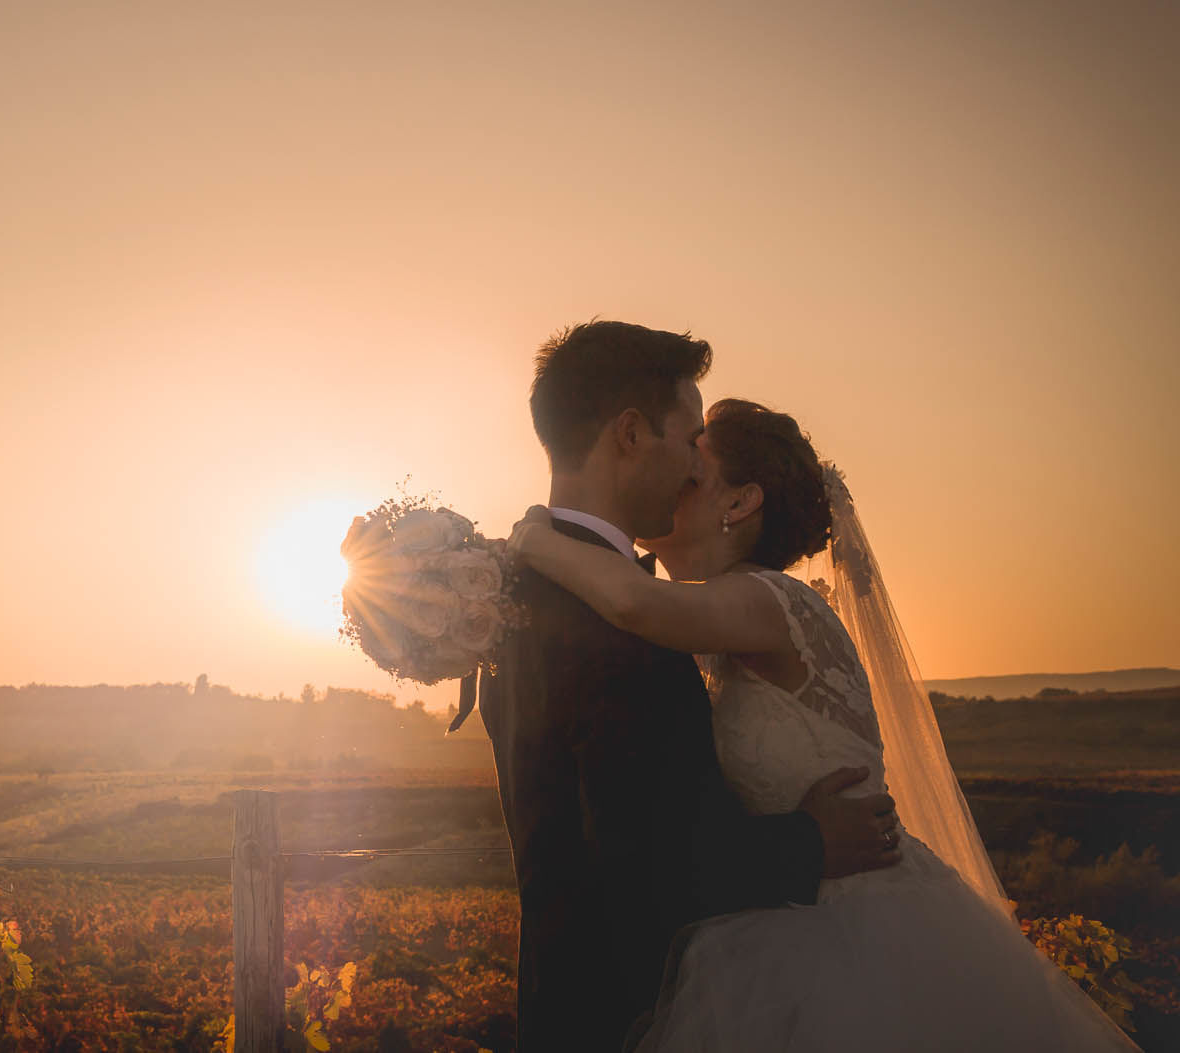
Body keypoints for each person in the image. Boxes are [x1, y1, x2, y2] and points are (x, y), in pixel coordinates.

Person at [503, 396, 1140, 1050]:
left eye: (697, 470)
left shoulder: (767, 600)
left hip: (854, 928)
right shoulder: (719, 616)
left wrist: (530, 541)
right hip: (793, 903)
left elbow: (633, 600)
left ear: (740, 502)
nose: (677, 478)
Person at [448, 320, 902, 1052]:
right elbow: (657, 864)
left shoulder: (511, 604)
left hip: (565, 1010)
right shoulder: (628, 628)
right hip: (640, 1014)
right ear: (630, 433)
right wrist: (812, 841)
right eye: (689, 438)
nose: (695, 463)